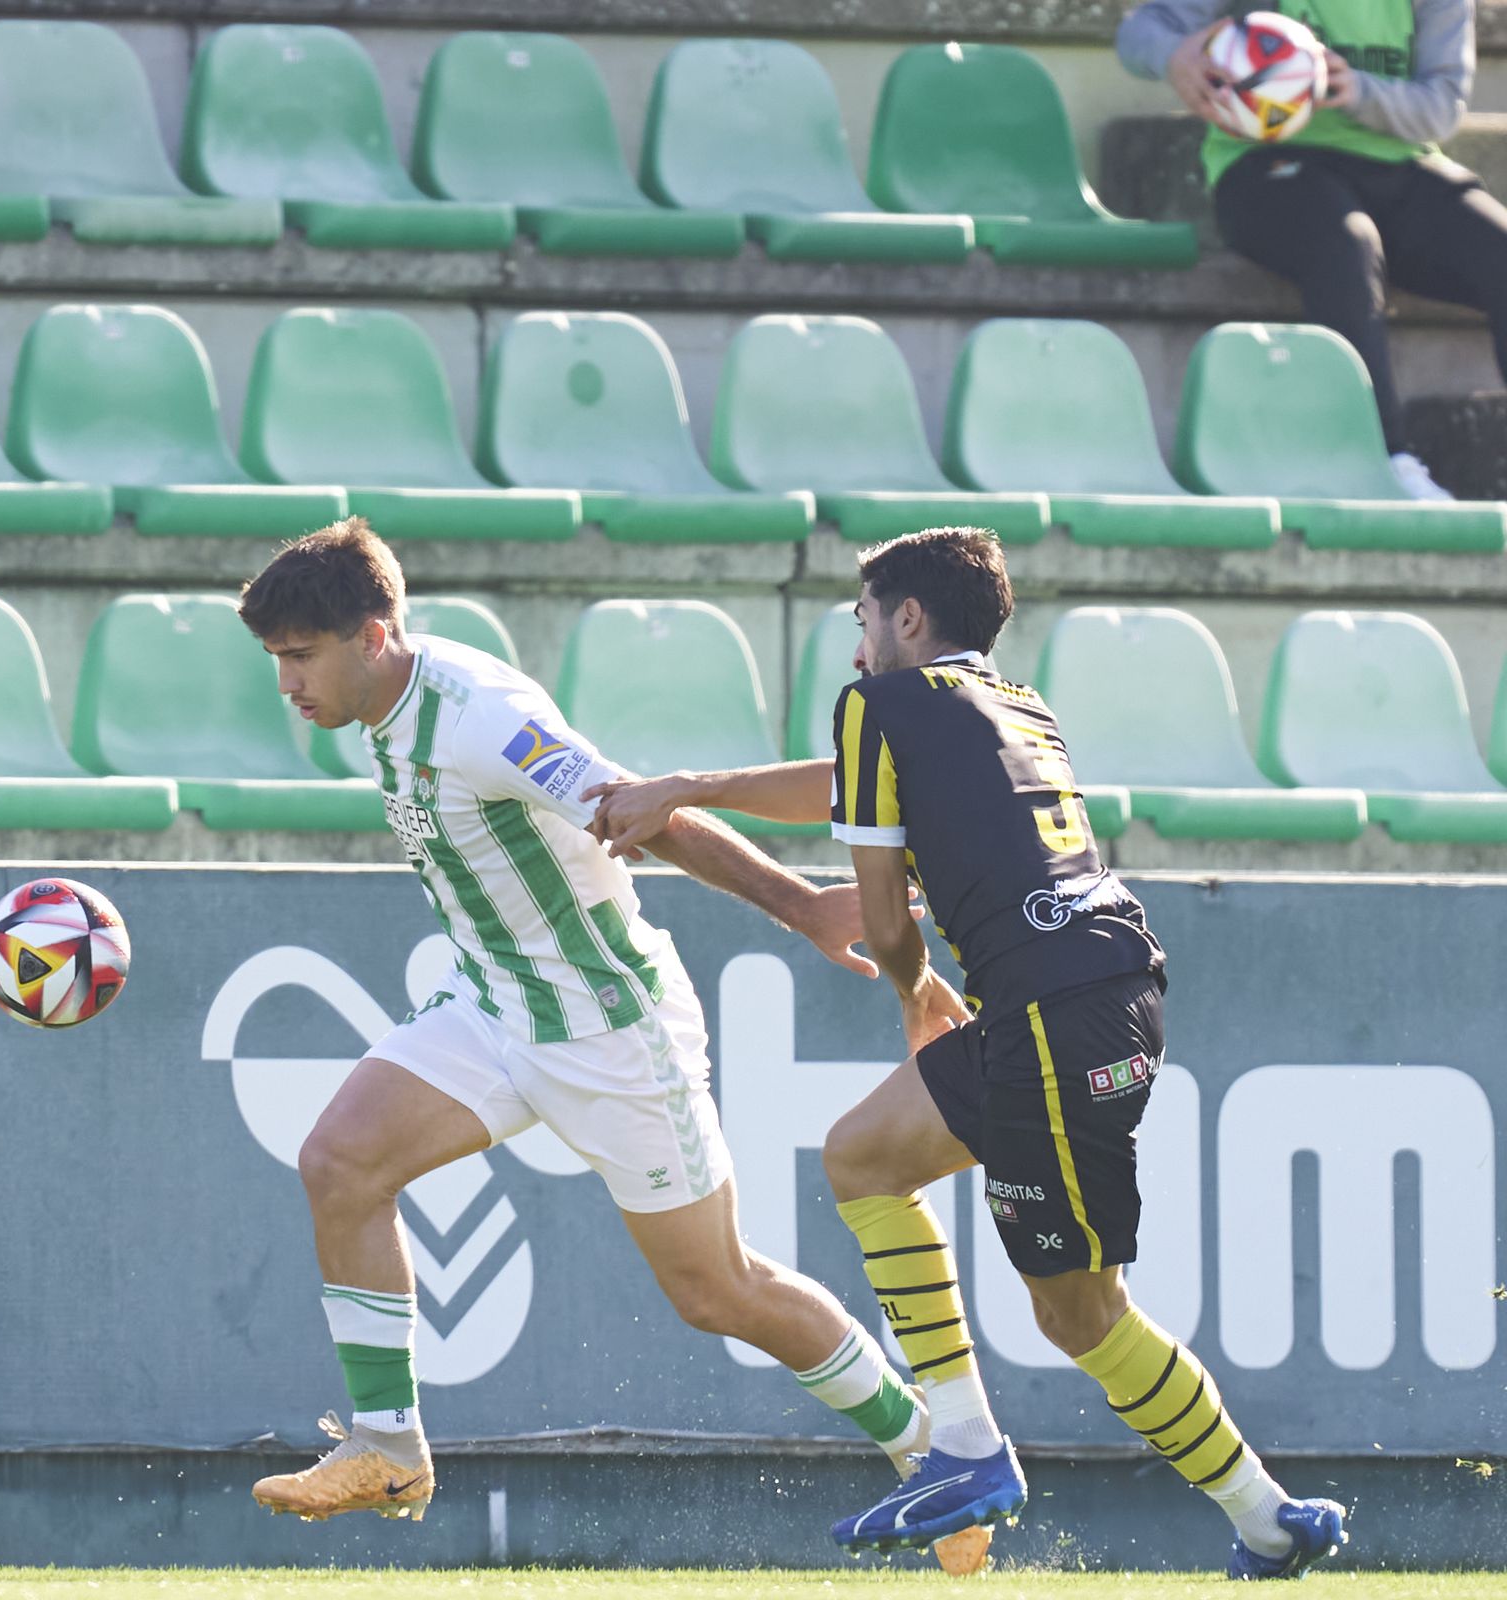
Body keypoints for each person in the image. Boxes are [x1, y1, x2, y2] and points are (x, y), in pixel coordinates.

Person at [585, 526, 1348, 1580]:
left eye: (862, 622)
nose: (855, 652)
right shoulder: (1016, 705)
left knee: (1080, 1313)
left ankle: (1011, 1462)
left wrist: (908, 994)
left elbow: (887, 921)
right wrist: (689, 786)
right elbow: (840, 780)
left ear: (905, 616)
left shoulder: (881, 705)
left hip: (1050, 1018)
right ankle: (1247, 1514)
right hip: (1091, 994)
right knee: (864, 1157)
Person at [230, 517, 947, 1536]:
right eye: (274, 661)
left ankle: (929, 1449)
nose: (288, 684)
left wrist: (804, 906)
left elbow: (637, 807)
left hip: (610, 1026)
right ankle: (387, 1446)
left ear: (375, 635)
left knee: (719, 1289)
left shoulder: (480, 716)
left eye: (299, 658)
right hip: (492, 999)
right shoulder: (381, 709)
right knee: (340, 1162)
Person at [1119, 0, 1507, 502]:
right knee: (1347, 244)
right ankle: (1387, 461)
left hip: (1398, 161)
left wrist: (1357, 90)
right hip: (1264, 165)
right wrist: (1175, 55)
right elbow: (1139, 34)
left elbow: (1442, 105)